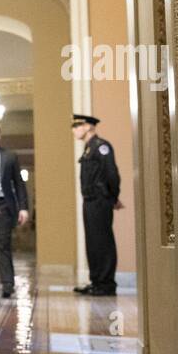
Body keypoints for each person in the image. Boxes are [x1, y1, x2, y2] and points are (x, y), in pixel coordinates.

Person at [72, 113, 121, 295]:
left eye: (77, 126)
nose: (74, 130)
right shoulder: (88, 149)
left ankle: (106, 284)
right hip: (90, 201)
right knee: (93, 242)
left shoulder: (101, 147)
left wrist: (113, 198)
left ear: (88, 127)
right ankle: (96, 281)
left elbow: (112, 174)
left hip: (100, 201)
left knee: (103, 242)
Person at [0, 123, 30, 298]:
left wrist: (23, 207)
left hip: (3, 205)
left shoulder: (10, 156)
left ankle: (7, 284)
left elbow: (19, 183)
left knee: (2, 244)